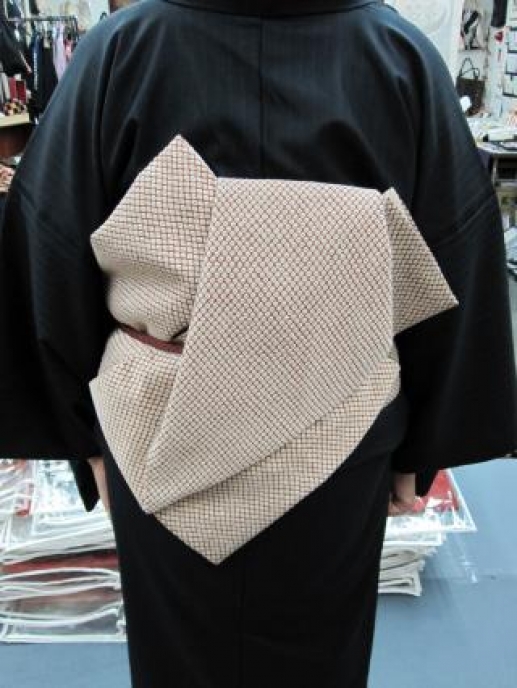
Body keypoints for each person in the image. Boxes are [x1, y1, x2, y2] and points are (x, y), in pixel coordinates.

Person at [0, 1, 516, 686]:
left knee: (178, 653)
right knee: (321, 650)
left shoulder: (122, 51)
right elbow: (454, 251)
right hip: (337, 425)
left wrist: (83, 436)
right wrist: (419, 455)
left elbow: (49, 240)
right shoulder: (397, 56)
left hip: (160, 425)